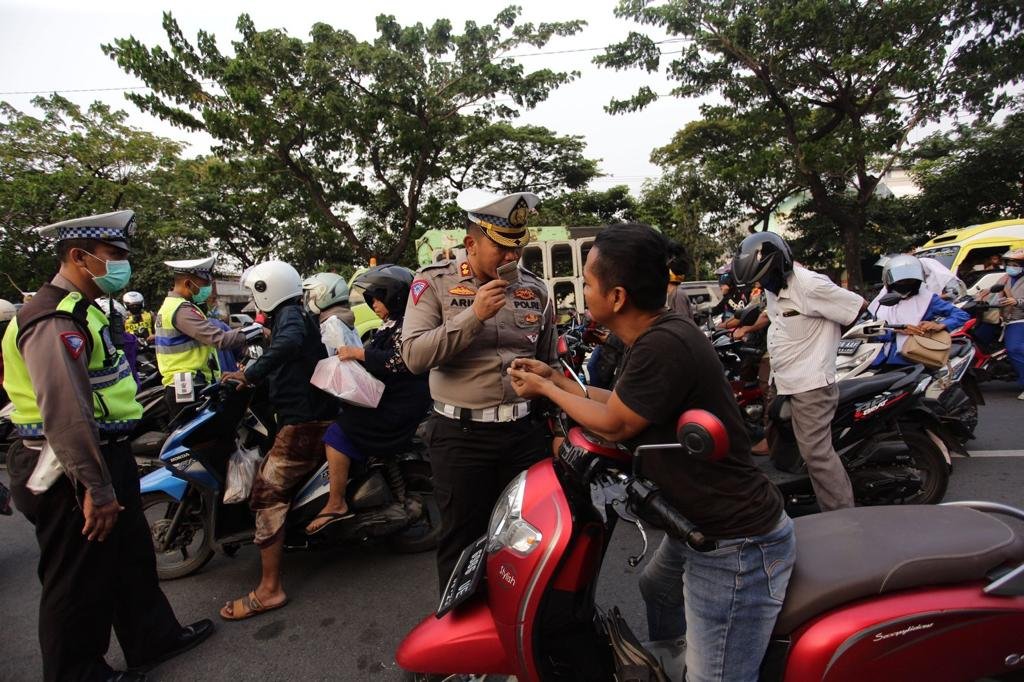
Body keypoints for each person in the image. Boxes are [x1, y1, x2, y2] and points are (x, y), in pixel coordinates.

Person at [508, 223, 793, 682]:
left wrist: (545, 389)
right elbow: (623, 406)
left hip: (731, 539)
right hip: (694, 521)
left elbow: (616, 424)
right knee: (657, 587)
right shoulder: (652, 335)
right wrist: (557, 380)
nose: (583, 291)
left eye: (588, 282)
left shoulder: (662, 343)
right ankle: (671, 661)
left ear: (617, 296)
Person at [1, 210, 212, 682]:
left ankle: (153, 638)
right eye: (113, 255)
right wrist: (95, 488)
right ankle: (76, 673)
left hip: (105, 452)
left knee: (130, 557)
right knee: (78, 575)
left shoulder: (88, 308)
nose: (123, 265)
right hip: (65, 465)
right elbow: (66, 414)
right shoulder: (54, 317)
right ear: (79, 257)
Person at [401, 188, 558, 592]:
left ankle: (518, 620)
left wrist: (556, 421)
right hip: (461, 437)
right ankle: (461, 623)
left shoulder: (537, 291)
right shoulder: (433, 283)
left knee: (527, 539)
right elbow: (414, 356)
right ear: (471, 244)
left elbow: (551, 365)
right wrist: (473, 316)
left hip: (523, 434)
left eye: (517, 248)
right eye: (501, 247)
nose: (511, 257)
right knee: (463, 543)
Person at [219, 260, 336, 620]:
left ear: (267, 290)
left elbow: (287, 346)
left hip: (304, 424)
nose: (254, 302)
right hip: (301, 416)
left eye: (255, 293)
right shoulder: (292, 315)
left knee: (266, 494)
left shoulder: (290, 319)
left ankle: (270, 589)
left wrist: (250, 375)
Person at [732, 232, 866, 511]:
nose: (761, 284)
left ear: (779, 265)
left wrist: (824, 345)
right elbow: (774, 315)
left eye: (763, 278)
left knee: (816, 454)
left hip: (810, 384)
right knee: (777, 438)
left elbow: (856, 308)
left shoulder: (810, 285)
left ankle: (843, 515)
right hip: (783, 379)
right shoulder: (773, 286)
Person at [305, 265, 431, 534]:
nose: (373, 305)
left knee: (337, 433)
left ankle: (337, 502)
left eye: (378, 299)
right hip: (389, 398)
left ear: (394, 297)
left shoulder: (409, 326)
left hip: (400, 405)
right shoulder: (391, 324)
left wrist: (358, 354)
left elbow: (399, 361)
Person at [154, 256, 258, 418]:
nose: (208, 289)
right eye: (205, 284)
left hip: (187, 384)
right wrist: (257, 330)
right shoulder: (181, 310)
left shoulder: (171, 307)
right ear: (188, 283)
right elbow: (220, 339)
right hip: (187, 387)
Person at [868, 255, 970, 367]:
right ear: (889, 282)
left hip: (914, 357)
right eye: (900, 281)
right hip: (879, 358)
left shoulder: (928, 299)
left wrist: (940, 325)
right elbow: (869, 331)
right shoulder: (881, 303)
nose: (905, 284)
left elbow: (961, 315)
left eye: (910, 280)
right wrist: (894, 331)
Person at [994, 248, 1024, 399]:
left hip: (1020, 319)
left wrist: (1017, 301)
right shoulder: (1005, 278)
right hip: (1005, 318)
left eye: (1015, 265)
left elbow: (1017, 301)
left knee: (1014, 348)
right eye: (1009, 264)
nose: (1011, 267)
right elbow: (991, 291)